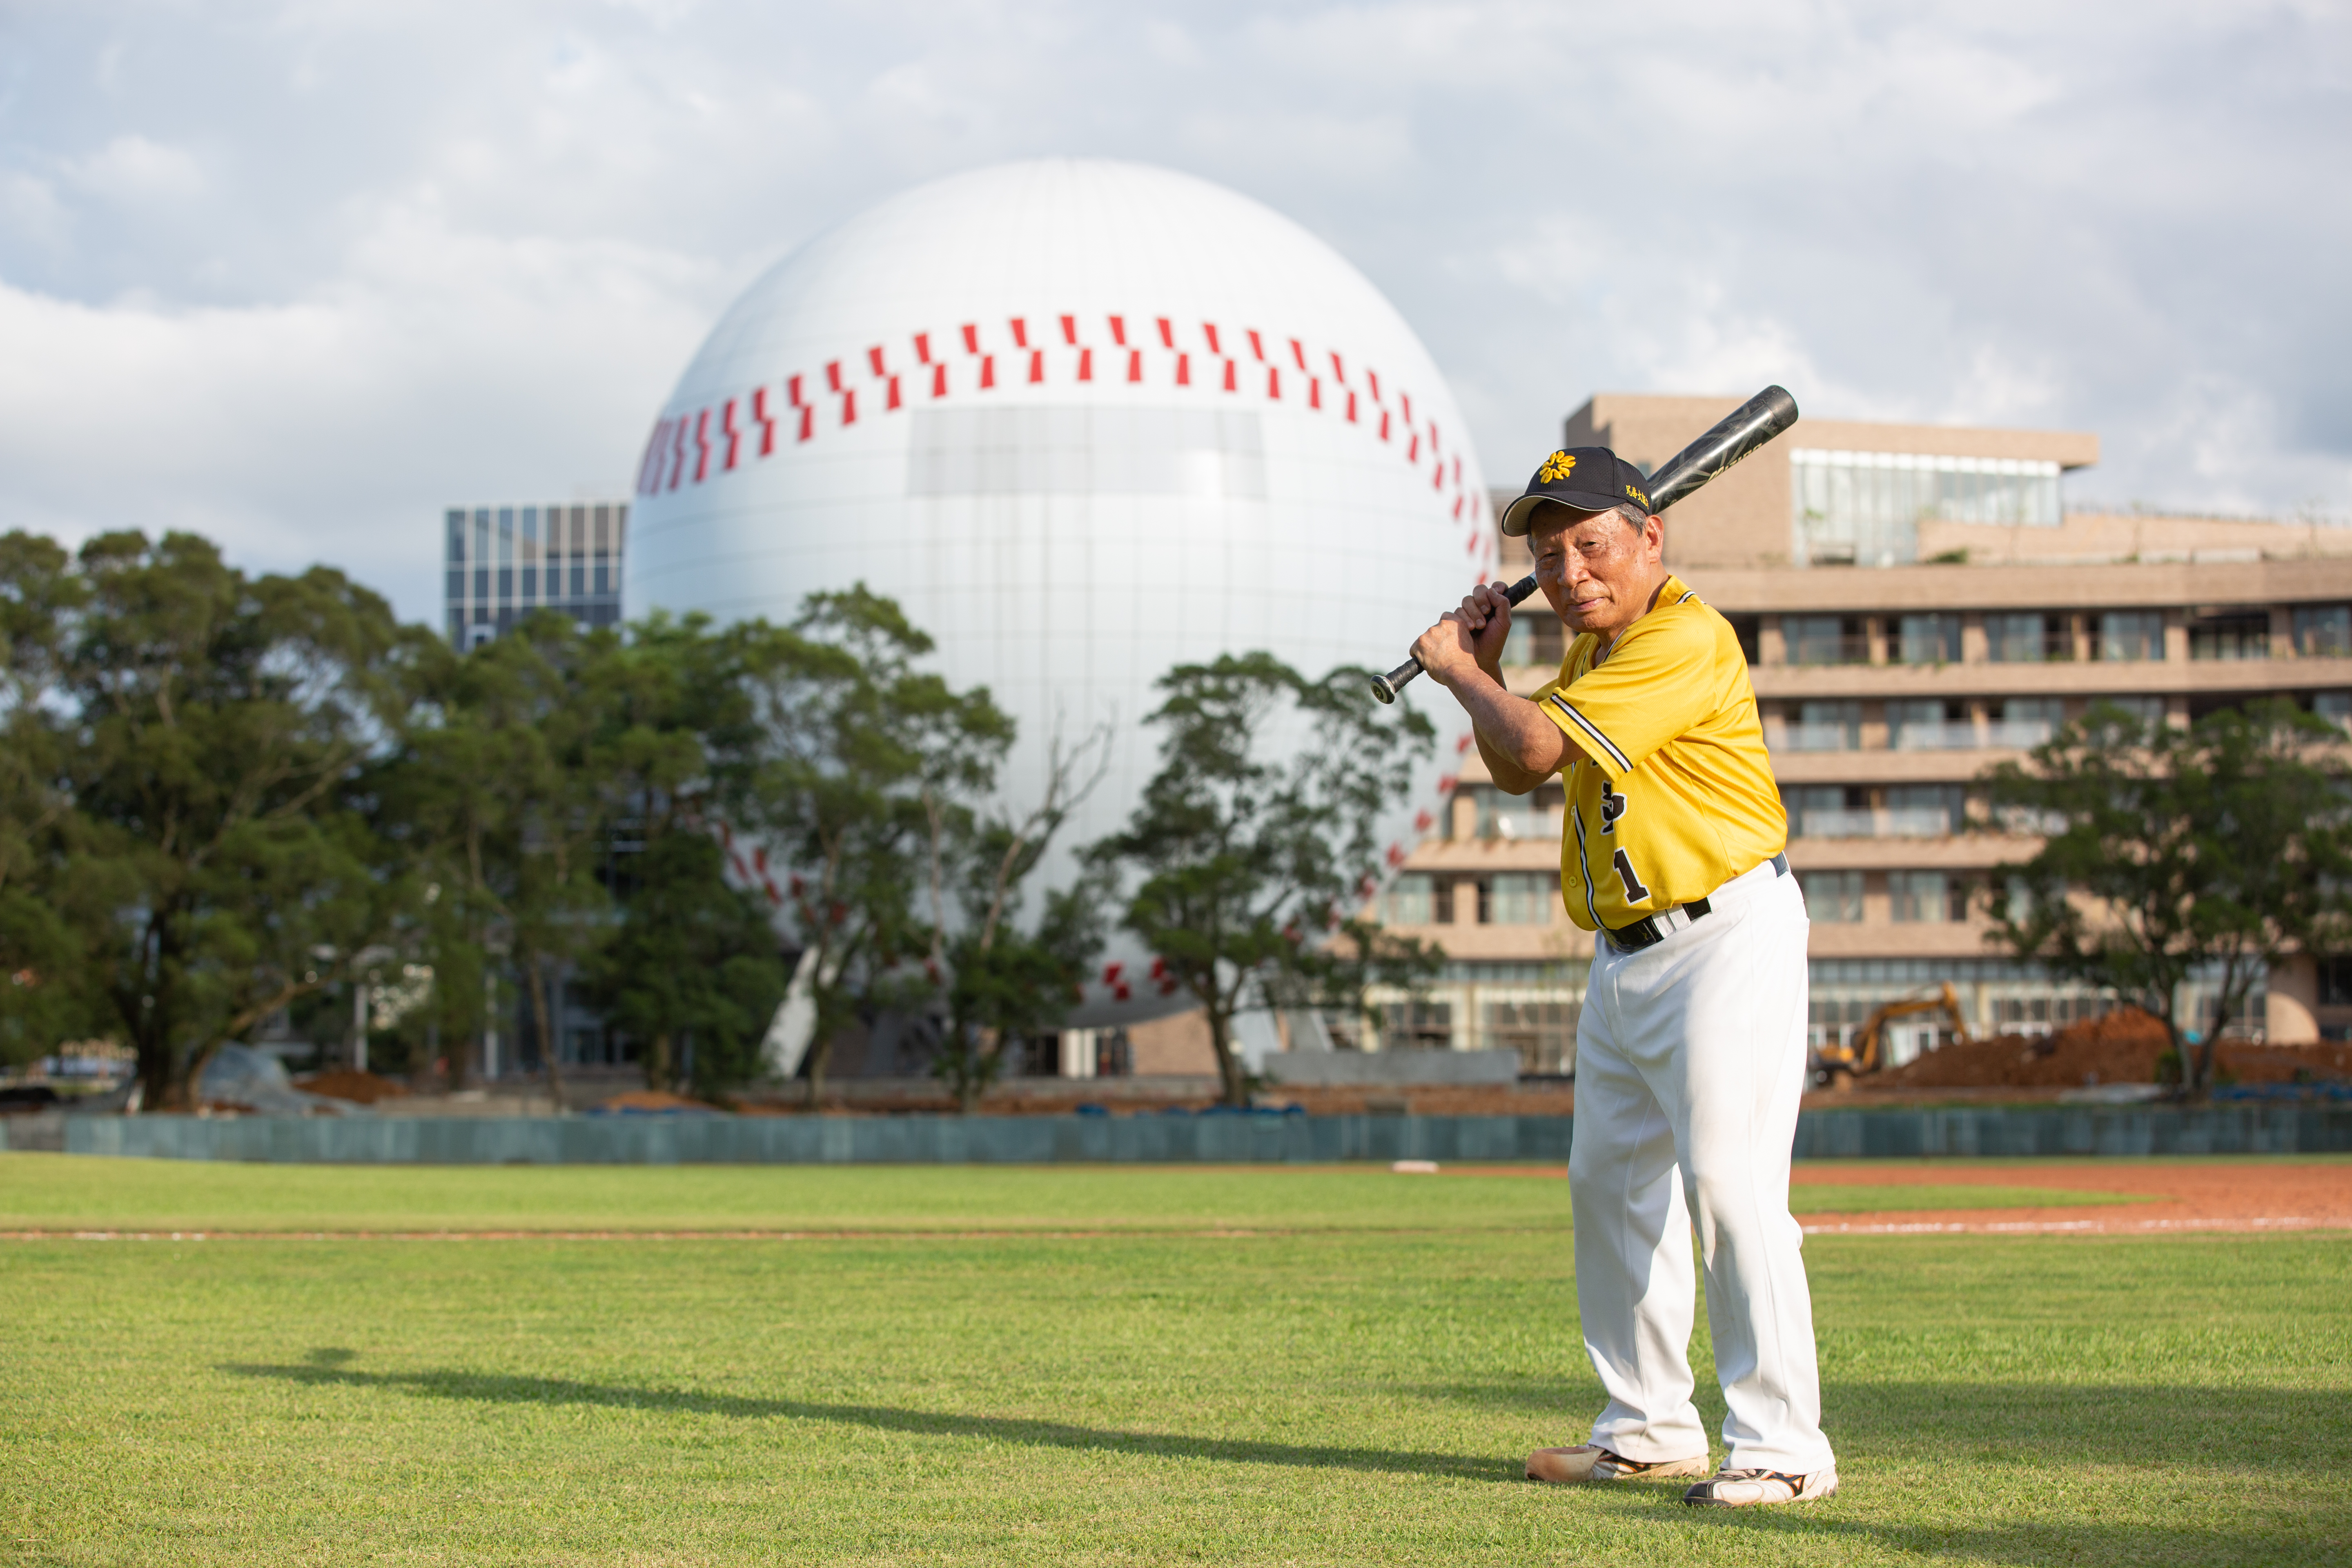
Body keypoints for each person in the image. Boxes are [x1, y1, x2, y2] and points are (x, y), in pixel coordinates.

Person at [1410, 445, 1837, 1508]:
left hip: (1723, 939)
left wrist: (1462, 672)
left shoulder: (1684, 637)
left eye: (1591, 545)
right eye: (1549, 555)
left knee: (1732, 1190)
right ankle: (1647, 1429)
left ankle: (1785, 1448)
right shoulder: (1594, 655)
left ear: (1652, 538)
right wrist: (1489, 674)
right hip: (1625, 956)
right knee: (1610, 1190)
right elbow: (1519, 768)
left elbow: (1538, 752)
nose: (1569, 573)